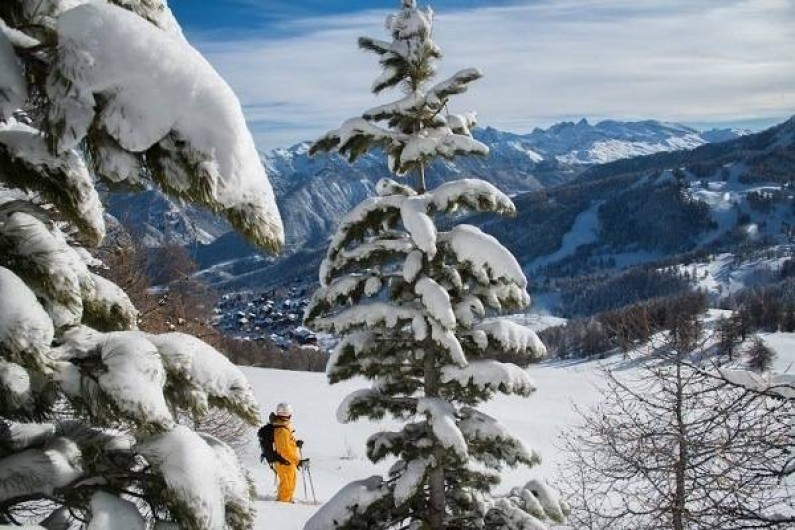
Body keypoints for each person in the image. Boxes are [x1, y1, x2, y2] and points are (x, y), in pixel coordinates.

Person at [271, 402, 302, 502]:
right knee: (287, 486)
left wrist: (295, 443)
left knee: (291, 483)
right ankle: (283, 506)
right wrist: (298, 461)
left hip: (288, 461)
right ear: (288, 415)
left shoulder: (282, 426)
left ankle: (287, 501)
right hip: (284, 462)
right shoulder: (282, 430)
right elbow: (284, 450)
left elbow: (285, 443)